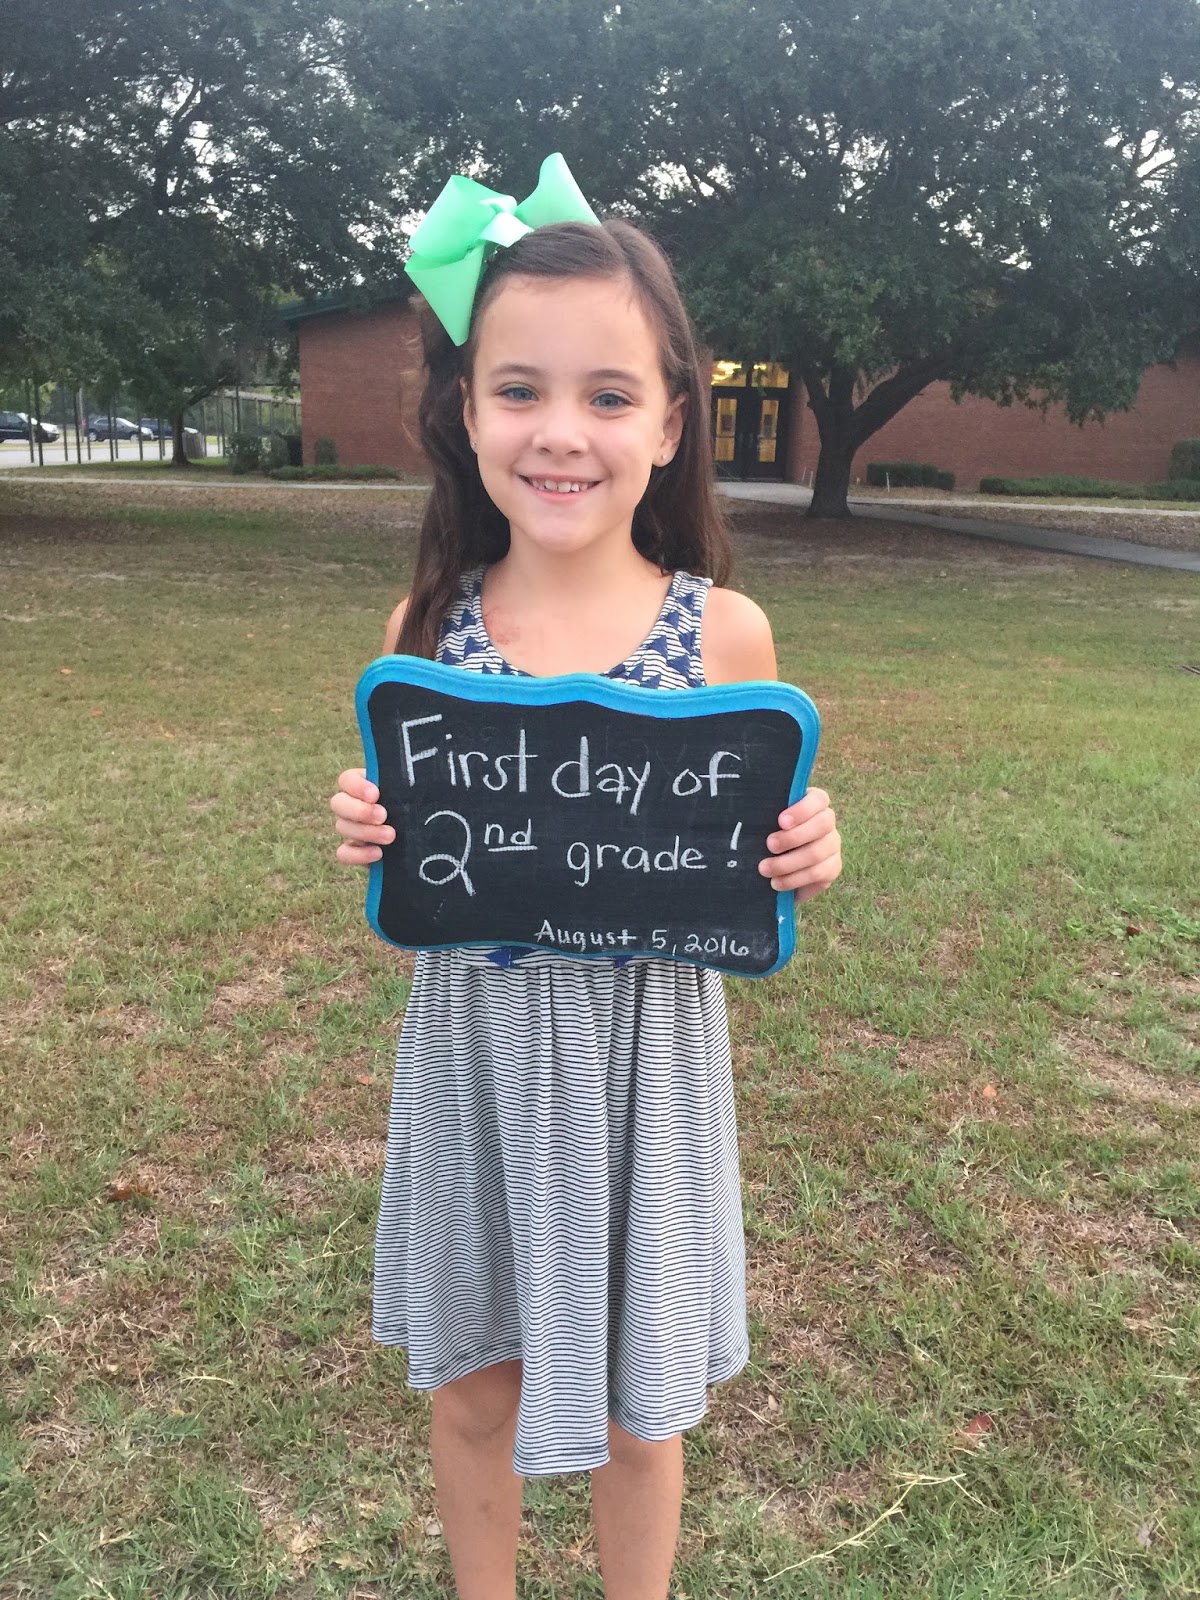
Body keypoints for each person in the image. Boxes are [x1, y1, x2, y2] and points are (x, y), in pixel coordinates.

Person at [329, 155, 842, 1600]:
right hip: (476, 1059)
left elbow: (762, 842)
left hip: (647, 1065)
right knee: (475, 1386)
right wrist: (374, 833)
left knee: (639, 1410)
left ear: (672, 421)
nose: (564, 433)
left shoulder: (726, 633)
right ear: (467, 412)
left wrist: (810, 846)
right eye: (521, 390)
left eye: (609, 396)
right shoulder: (424, 628)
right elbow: (417, 870)